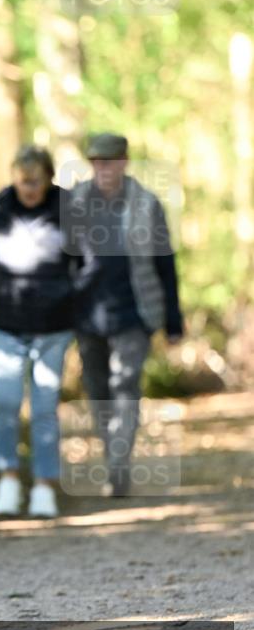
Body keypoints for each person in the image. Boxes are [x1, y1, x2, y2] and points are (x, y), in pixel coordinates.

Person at [0, 146, 74, 519]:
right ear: (14, 178)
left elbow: (90, 267)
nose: (28, 188)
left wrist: (78, 309)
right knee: (6, 403)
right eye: (22, 181)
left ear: (48, 179)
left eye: (35, 181)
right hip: (7, 326)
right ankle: (8, 479)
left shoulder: (69, 213)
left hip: (53, 328)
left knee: (44, 407)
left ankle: (44, 485)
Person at [67, 133, 183, 496]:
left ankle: (119, 467)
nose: (103, 169)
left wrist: (174, 319)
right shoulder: (76, 203)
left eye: (110, 162)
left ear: (124, 162)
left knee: (125, 387)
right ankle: (112, 456)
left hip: (135, 312)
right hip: (88, 316)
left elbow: (166, 263)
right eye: (97, 163)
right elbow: (64, 263)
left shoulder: (147, 204)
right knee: (98, 389)